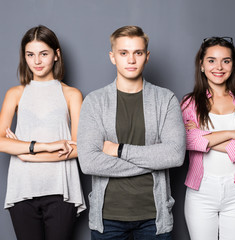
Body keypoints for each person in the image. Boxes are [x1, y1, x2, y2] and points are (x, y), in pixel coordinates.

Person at [77, 26, 185, 240]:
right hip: (108, 218)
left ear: (147, 56)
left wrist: (119, 150)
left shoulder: (166, 99)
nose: (131, 60)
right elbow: (89, 162)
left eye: (138, 52)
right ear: (112, 57)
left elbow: (174, 155)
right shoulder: (95, 101)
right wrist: (152, 160)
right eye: (123, 53)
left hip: (154, 217)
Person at [0, 25, 86, 240]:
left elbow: (79, 147)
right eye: (30, 55)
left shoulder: (71, 94)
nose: (37, 61)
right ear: (24, 57)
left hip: (62, 189)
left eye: (44, 53)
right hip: (23, 187)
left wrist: (24, 153)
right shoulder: (15, 93)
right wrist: (43, 146)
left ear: (56, 55)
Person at [181, 37, 235, 240]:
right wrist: (234, 133)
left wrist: (205, 139)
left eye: (226, 61)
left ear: (233, 65)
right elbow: (188, 141)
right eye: (211, 60)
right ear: (201, 65)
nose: (219, 67)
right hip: (201, 190)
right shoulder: (189, 103)